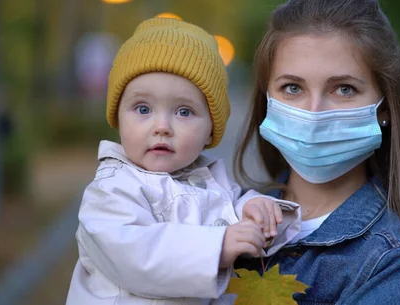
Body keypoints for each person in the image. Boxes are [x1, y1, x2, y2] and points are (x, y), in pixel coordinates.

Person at [234, 0, 400, 304]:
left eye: (344, 89)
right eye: (292, 87)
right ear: (267, 98)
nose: (314, 113)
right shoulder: (220, 213)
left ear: (385, 108)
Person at [66, 18, 301, 305]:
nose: (162, 126)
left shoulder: (210, 181)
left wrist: (252, 209)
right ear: (118, 118)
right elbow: (135, 254)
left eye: (184, 112)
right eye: (143, 109)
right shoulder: (111, 190)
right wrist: (217, 247)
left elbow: (222, 212)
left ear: (210, 131)